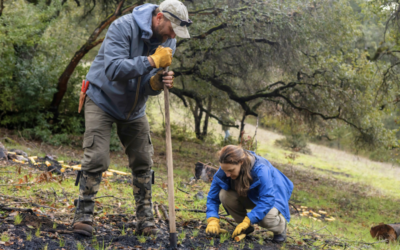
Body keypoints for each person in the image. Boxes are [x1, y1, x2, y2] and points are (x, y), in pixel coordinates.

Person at [72, 0, 192, 237]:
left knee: (143, 161)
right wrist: (151, 61)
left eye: (176, 33)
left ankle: (145, 219)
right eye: (171, 28)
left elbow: (146, 86)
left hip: (133, 108)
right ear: (159, 18)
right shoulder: (122, 27)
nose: (172, 35)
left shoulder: (169, 41)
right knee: (97, 157)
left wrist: (157, 83)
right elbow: (114, 70)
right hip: (102, 98)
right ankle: (83, 214)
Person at [205, 145, 294, 243]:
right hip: (251, 194)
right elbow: (212, 197)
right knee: (224, 195)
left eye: (230, 170)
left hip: (274, 195)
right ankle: (244, 228)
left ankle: (280, 228)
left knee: (266, 219)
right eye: (224, 170)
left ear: (241, 162)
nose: (227, 174)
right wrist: (212, 218)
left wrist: (249, 219)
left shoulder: (261, 169)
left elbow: (267, 198)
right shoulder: (225, 168)